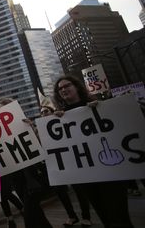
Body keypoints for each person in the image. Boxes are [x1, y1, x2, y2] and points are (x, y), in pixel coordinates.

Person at [53, 75, 133, 228]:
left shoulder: (97, 106)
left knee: (120, 218)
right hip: (88, 178)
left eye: (67, 86)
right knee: (106, 219)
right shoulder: (60, 117)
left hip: (112, 173)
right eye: (60, 89)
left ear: (77, 87)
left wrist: (102, 109)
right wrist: (55, 121)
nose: (63, 90)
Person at [0, 98, 52, 228]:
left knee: (30, 214)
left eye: (3, 109)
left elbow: (41, 146)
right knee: (36, 213)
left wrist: (31, 128)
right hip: (17, 179)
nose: (0, 112)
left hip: (32, 175)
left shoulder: (25, 123)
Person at [39, 103, 91, 226]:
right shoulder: (40, 129)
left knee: (79, 190)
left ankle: (86, 217)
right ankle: (72, 216)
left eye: (46, 111)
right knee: (61, 192)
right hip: (55, 164)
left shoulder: (63, 120)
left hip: (72, 161)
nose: (43, 114)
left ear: (52, 111)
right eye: (41, 112)